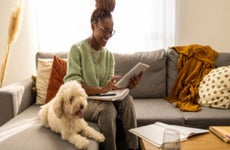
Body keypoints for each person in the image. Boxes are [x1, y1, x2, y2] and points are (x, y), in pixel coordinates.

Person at [64, 8, 143, 150]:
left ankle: (133, 148)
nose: (108, 35)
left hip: (101, 99)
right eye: (104, 30)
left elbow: (109, 88)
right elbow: (73, 88)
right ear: (93, 26)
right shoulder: (77, 50)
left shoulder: (109, 56)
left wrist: (129, 86)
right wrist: (100, 90)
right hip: (82, 102)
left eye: (110, 32)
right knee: (108, 110)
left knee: (128, 100)